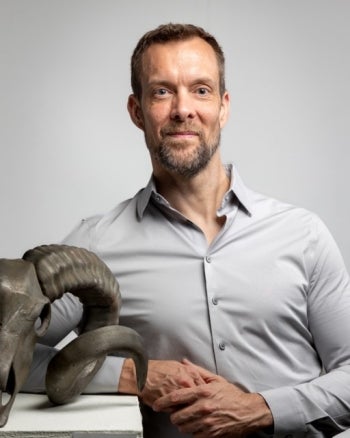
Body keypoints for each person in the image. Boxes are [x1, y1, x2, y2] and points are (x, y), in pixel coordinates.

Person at [25, 23, 350, 437]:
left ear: (223, 106)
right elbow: (9, 354)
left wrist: (261, 408)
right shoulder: (96, 245)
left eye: (201, 90)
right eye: (162, 91)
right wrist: (133, 375)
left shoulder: (303, 235)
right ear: (137, 111)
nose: (183, 109)